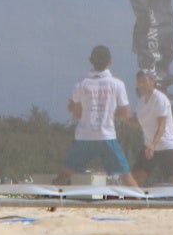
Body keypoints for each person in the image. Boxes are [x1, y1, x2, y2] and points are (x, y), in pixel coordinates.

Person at [53, 45, 134, 186]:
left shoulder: (81, 83)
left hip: (84, 136)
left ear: (91, 61)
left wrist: (78, 110)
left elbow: (77, 113)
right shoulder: (117, 84)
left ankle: (51, 197)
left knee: (65, 174)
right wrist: (109, 114)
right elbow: (126, 114)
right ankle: (138, 198)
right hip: (106, 136)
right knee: (125, 175)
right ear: (110, 62)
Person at [130, 68, 173, 187]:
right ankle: (136, 199)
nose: (141, 84)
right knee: (135, 178)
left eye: (144, 81)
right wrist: (121, 117)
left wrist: (153, 145)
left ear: (153, 81)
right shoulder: (141, 103)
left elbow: (162, 126)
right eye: (139, 82)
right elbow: (140, 124)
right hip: (149, 147)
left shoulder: (160, 99)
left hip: (166, 145)